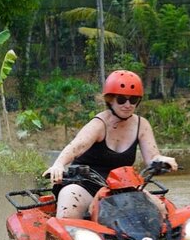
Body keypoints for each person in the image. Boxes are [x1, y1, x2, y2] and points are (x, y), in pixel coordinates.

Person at [43, 70, 178, 219]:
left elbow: (152, 158)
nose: (127, 105)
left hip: (122, 186)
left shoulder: (142, 125)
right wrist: (59, 164)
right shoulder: (99, 124)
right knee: (68, 212)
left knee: (161, 210)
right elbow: (76, 147)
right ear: (111, 100)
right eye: (121, 99)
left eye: (133, 100)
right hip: (85, 184)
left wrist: (162, 161)